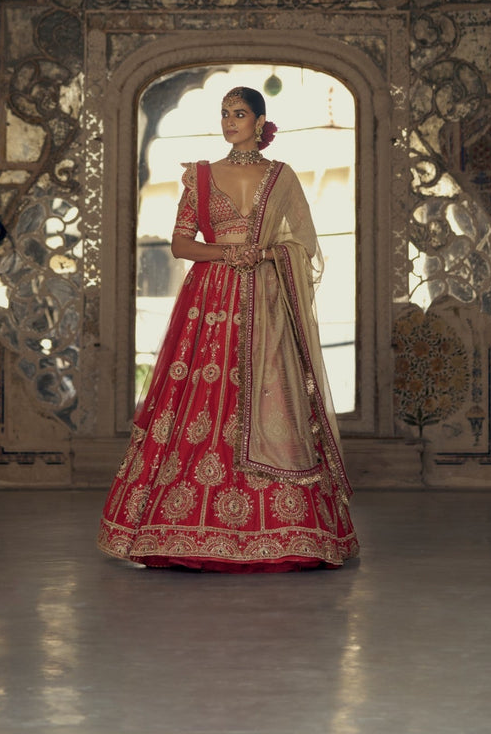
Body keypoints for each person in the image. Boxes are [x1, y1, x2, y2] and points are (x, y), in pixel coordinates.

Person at [97, 85, 359, 571]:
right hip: (210, 300)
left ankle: (291, 534)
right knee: (198, 398)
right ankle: (177, 528)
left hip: (266, 300)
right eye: (224, 114)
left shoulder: (282, 177)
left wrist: (264, 254)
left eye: (239, 114)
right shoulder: (198, 177)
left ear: (260, 122)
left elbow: (303, 245)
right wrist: (229, 253)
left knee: (272, 395)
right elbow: (179, 245)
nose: (229, 121)